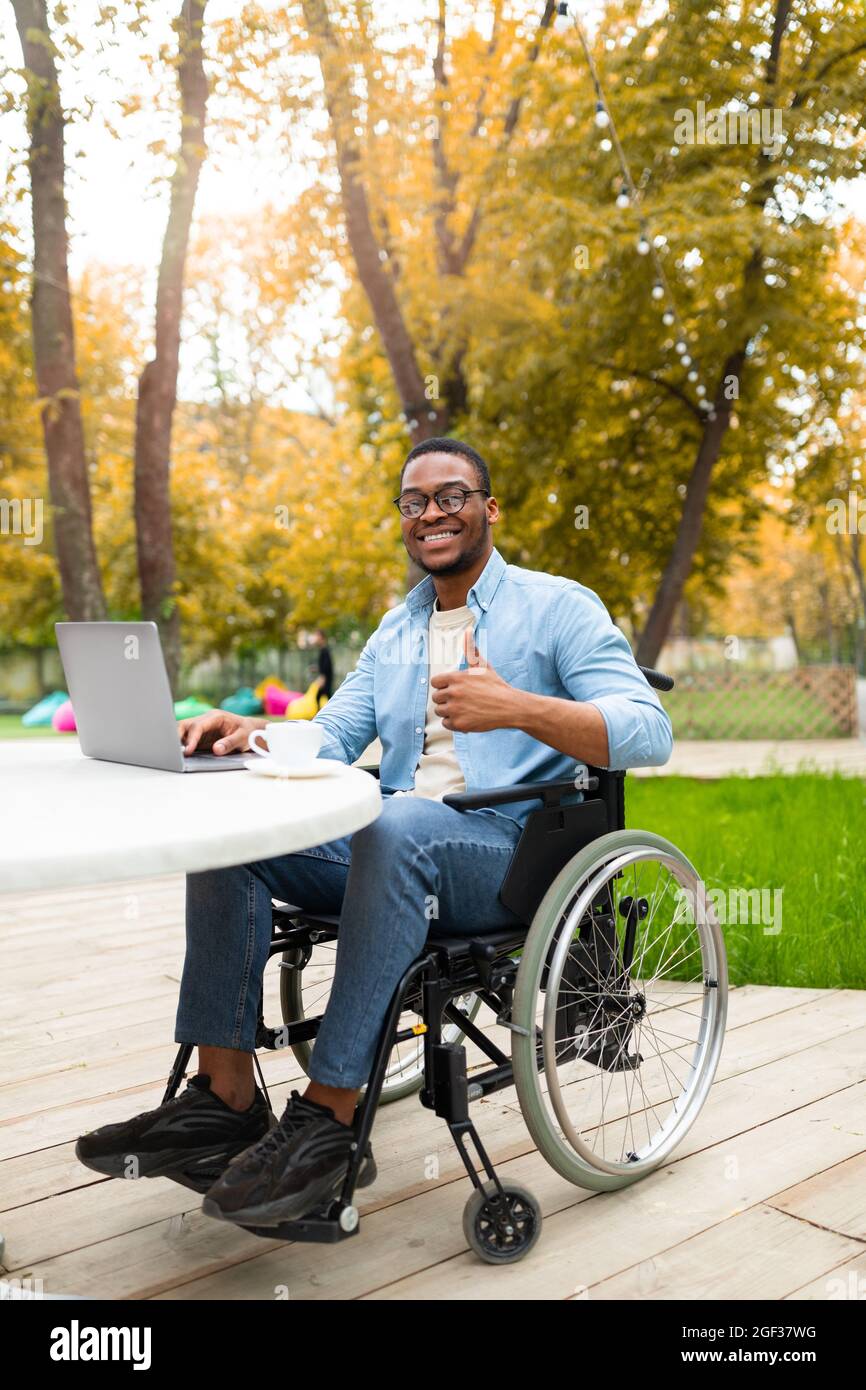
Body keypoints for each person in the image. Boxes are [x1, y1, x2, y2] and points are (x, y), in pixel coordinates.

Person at [75, 437, 673, 1229]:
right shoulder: (399, 627)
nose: (433, 513)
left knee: (393, 823)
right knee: (232, 833)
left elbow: (647, 731)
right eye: (415, 501)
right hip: (394, 842)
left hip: (507, 853)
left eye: (453, 496)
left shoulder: (558, 606)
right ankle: (225, 1097)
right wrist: (245, 731)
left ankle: (328, 1126)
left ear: (490, 509)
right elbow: (330, 736)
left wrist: (518, 708)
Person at [312, 627, 333, 704]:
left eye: (317, 635)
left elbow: (327, 665)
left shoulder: (325, 650)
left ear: (321, 637)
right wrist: (317, 668)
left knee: (324, 696)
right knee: (321, 696)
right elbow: (324, 664)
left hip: (326, 679)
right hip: (325, 678)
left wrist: (322, 677)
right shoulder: (322, 650)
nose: (315, 638)